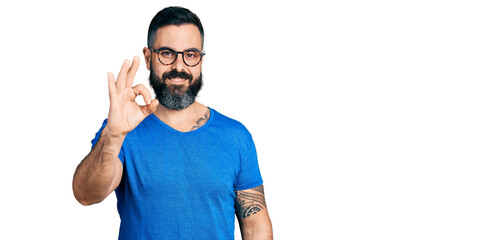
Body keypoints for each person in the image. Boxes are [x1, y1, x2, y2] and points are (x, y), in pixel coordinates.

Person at [72, 6, 273, 240]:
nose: (179, 66)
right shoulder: (121, 131)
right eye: (167, 53)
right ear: (148, 58)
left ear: (200, 59)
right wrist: (113, 137)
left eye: (190, 54)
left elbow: (256, 226)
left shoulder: (236, 136)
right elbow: (86, 194)